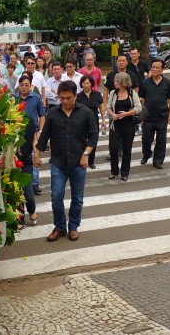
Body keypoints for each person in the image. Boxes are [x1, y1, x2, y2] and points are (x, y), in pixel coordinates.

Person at [34, 80, 98, 242]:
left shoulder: (85, 112)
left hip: (78, 163)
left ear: (76, 96)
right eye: (62, 98)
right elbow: (45, 136)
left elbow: (93, 135)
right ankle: (60, 227)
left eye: (68, 98)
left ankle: (74, 227)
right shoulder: (53, 114)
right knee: (56, 195)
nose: (65, 101)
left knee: (77, 197)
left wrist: (86, 154)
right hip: (58, 163)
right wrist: (37, 154)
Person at [140, 59, 170, 170]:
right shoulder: (145, 83)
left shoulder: (168, 83)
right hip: (148, 118)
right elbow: (141, 99)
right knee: (146, 139)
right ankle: (146, 154)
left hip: (162, 117)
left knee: (161, 141)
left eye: (157, 67)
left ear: (162, 69)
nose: (155, 69)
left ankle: (158, 160)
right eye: (153, 67)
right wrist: (141, 115)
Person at [106, 72, 142, 181]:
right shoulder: (113, 93)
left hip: (128, 124)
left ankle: (125, 172)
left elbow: (139, 108)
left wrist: (126, 114)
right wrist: (113, 115)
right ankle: (114, 171)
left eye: (117, 81)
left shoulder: (131, 93)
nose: (114, 82)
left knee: (127, 149)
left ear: (123, 82)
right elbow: (108, 107)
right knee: (113, 148)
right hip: (115, 124)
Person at [16, 75, 45, 195]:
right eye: (22, 85)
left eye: (26, 85)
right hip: (18, 133)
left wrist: (40, 131)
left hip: (34, 132)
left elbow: (42, 115)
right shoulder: (14, 99)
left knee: (35, 156)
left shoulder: (36, 98)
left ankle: (34, 183)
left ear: (30, 86)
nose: (23, 87)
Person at [76, 75, 106, 169]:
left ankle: (91, 161)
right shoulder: (78, 96)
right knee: (82, 141)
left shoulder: (97, 95)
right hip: (81, 122)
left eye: (88, 83)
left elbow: (101, 107)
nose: (86, 85)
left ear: (91, 84)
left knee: (93, 141)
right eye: (84, 83)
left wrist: (104, 120)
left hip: (94, 121)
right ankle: (82, 159)